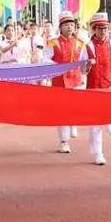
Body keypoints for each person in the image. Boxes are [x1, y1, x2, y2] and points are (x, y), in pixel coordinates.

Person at [80, 13, 111, 165]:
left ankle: (109, 119)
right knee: (95, 122)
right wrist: (88, 65)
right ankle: (98, 153)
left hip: (110, 83)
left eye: (105, 28)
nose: (103, 31)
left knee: (109, 109)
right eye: (99, 28)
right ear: (94, 30)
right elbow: (82, 70)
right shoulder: (88, 47)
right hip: (94, 86)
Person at [44, 11, 85, 154]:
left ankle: (73, 121)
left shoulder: (80, 43)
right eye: (66, 24)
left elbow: (83, 63)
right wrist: (54, 67)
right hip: (59, 81)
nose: (69, 27)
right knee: (61, 112)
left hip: (76, 80)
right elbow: (46, 60)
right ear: (60, 27)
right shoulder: (53, 42)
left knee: (74, 108)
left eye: (72, 24)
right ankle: (63, 142)